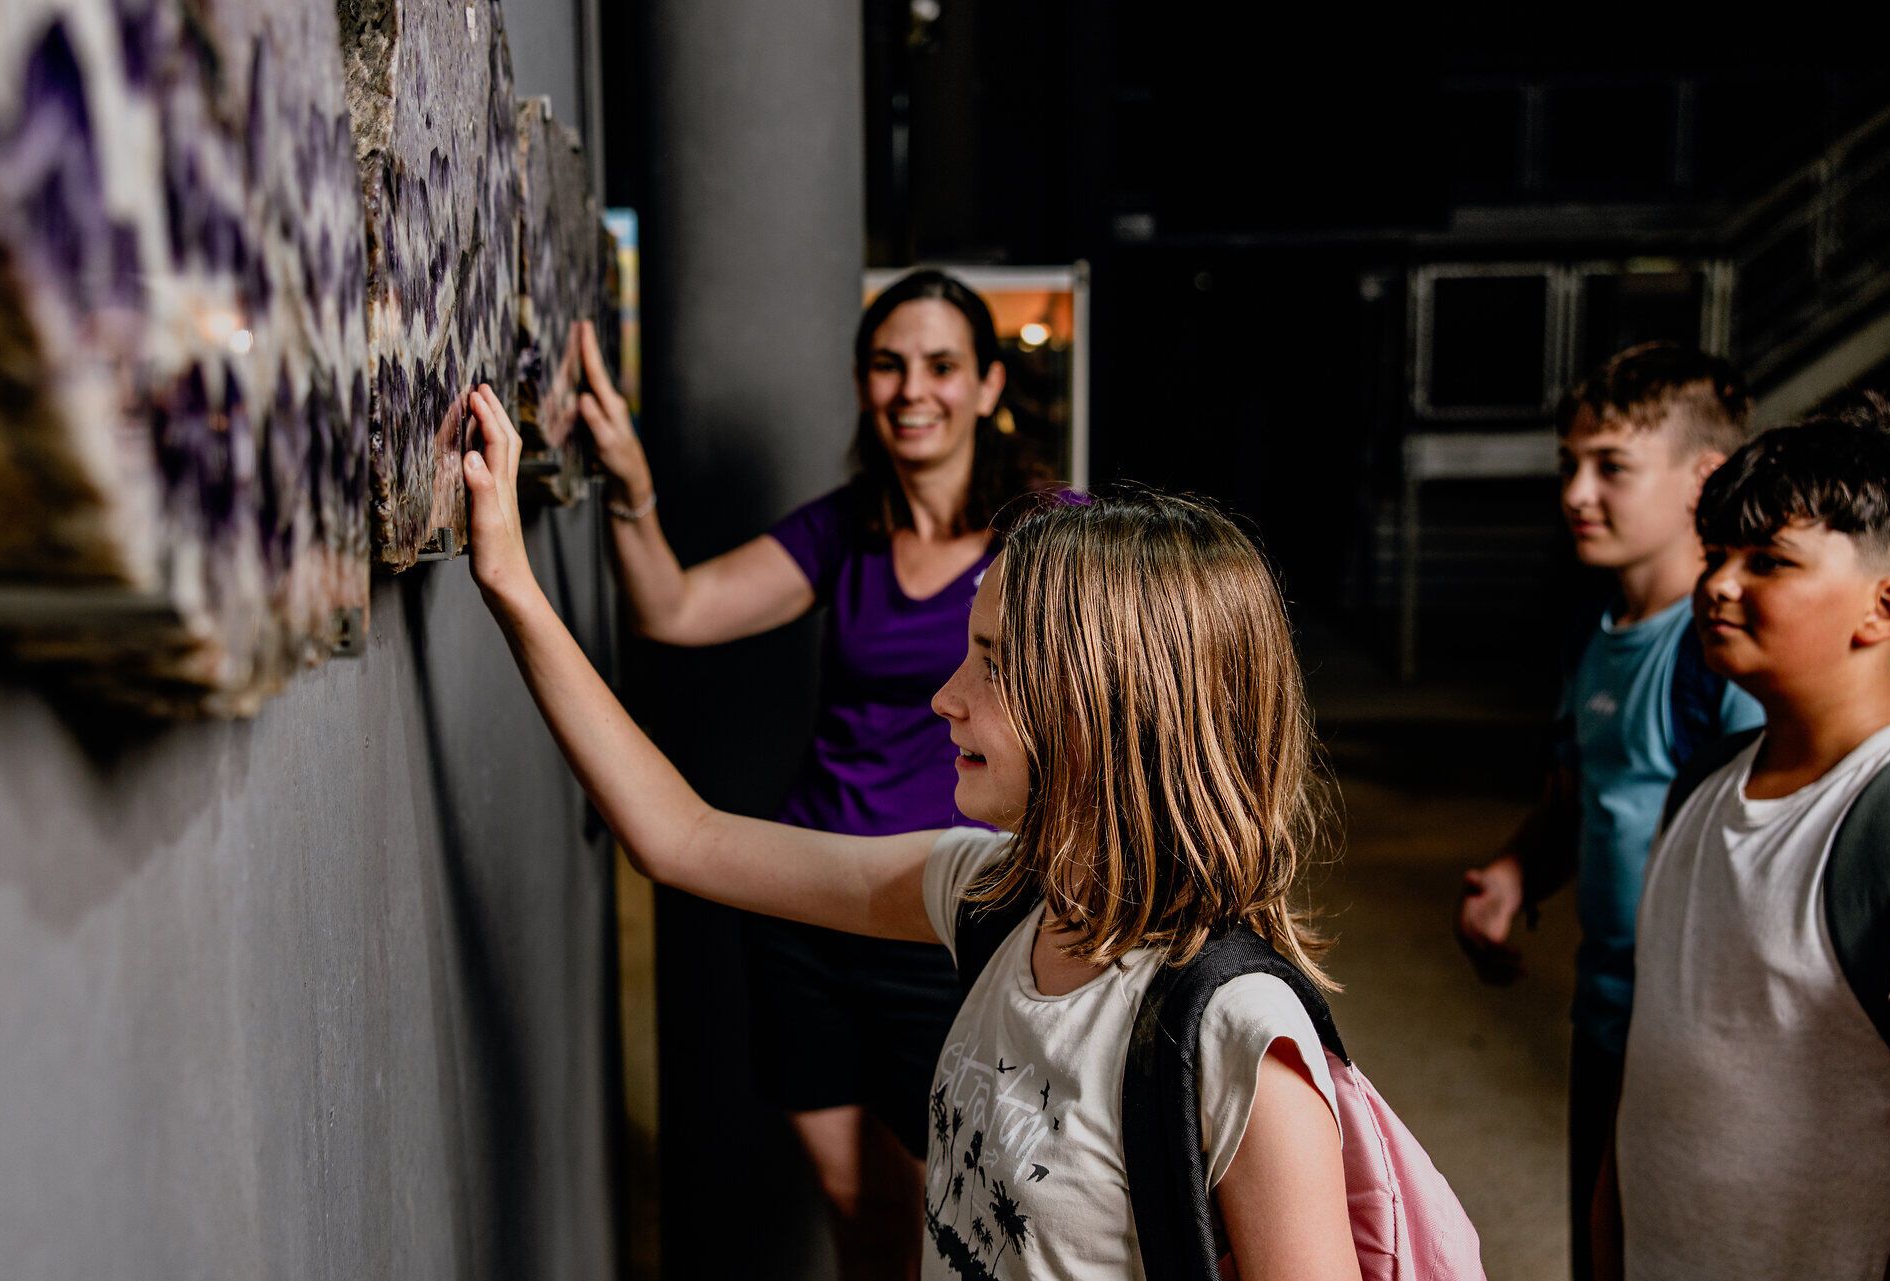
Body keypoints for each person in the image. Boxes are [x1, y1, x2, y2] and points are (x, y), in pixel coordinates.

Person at [459, 390, 1359, 1280]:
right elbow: (682, 838)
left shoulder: (1236, 1034)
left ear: (1108, 710)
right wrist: (513, 589)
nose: (944, 697)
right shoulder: (991, 895)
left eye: (993, 665)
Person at [569, 269, 1051, 1277]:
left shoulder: (1050, 537)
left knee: (947, 1207)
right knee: (851, 1196)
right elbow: (675, 610)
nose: (912, 390)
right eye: (888, 365)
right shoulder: (846, 526)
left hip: (950, 914)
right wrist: (629, 482)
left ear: (988, 385)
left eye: (942, 366)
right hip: (809, 907)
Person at [1453, 342, 1762, 1280]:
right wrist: (1516, 871)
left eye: (1612, 467)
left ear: (1703, 477)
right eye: (1569, 465)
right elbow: (1578, 794)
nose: (1577, 493)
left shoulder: (1727, 651)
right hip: (1606, 1019)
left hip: (1700, 1041)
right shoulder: (1599, 633)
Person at [1596, 402, 1890, 1280]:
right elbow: (1651, 1063)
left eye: (1767, 560)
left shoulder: (1885, 820)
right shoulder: (1702, 781)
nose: (1719, 584)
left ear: (1886, 606)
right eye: (1716, 554)